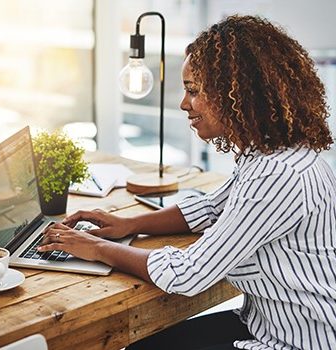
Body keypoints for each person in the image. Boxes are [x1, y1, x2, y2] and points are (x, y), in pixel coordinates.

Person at [38, 15, 336, 349]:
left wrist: (96, 248)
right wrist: (127, 224)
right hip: (268, 325)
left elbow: (188, 273)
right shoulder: (272, 155)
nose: (183, 104)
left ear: (237, 93)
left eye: (193, 91)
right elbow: (210, 209)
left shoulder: (277, 175)